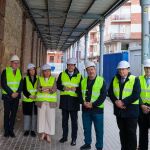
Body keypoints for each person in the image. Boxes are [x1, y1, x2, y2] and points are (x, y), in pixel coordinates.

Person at [108, 60, 141, 150]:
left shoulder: (135, 79)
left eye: (123, 69)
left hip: (131, 112)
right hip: (119, 112)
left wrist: (122, 102)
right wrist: (116, 101)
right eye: (119, 70)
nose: (121, 71)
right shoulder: (115, 78)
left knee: (131, 132)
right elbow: (110, 92)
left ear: (128, 69)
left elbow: (136, 94)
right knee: (122, 132)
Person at [80, 61, 107, 150]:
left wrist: (93, 105)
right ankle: (87, 144)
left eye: (92, 69)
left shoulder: (101, 80)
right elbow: (80, 94)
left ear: (95, 69)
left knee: (99, 130)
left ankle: (99, 147)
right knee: (86, 129)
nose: (90, 71)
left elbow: (103, 96)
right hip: (85, 110)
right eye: (88, 70)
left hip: (97, 110)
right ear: (86, 71)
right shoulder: (83, 81)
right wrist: (83, 102)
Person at [57, 58, 82, 146]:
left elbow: (82, 88)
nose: (70, 67)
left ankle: (74, 139)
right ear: (67, 66)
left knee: (74, 122)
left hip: (74, 102)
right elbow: (58, 85)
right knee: (64, 121)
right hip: (64, 101)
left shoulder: (79, 76)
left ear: (75, 66)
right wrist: (63, 88)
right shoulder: (62, 74)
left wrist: (76, 89)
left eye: (72, 65)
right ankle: (64, 137)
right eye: (69, 65)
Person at [1, 55, 23, 137]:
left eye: (17, 63)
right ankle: (6, 131)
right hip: (7, 96)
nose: (16, 65)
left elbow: (21, 83)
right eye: (14, 63)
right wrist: (11, 93)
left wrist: (17, 92)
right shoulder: (5, 71)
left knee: (13, 114)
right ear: (11, 63)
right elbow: (3, 84)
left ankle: (11, 130)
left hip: (16, 97)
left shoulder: (19, 72)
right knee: (7, 114)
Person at [36, 64, 57, 143]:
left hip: (50, 103)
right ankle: (43, 133)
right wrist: (47, 88)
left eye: (48, 71)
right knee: (41, 118)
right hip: (41, 102)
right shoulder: (40, 79)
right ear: (43, 72)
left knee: (50, 118)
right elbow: (38, 88)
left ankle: (48, 134)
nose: (47, 72)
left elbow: (54, 89)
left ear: (50, 72)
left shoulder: (53, 79)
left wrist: (45, 88)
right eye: (45, 71)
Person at [22, 63, 38, 137]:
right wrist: (30, 95)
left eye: (33, 70)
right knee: (27, 115)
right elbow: (24, 89)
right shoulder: (25, 79)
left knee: (34, 115)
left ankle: (33, 130)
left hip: (35, 100)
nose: (32, 71)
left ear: (35, 70)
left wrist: (36, 95)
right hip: (27, 100)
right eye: (30, 70)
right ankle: (27, 130)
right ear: (28, 71)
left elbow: (40, 88)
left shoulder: (38, 78)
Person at [138, 59, 150, 150]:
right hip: (141, 108)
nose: (148, 70)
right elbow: (135, 94)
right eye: (146, 68)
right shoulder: (139, 79)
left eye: (149, 68)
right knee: (143, 131)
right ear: (144, 69)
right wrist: (142, 105)